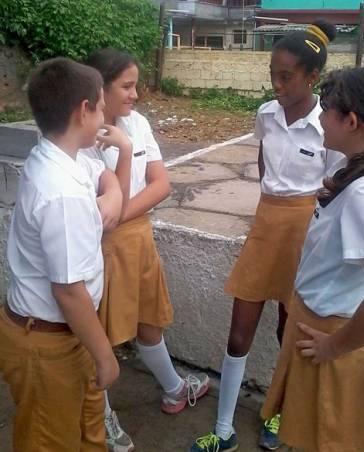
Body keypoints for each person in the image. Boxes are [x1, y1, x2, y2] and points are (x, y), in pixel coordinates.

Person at [190, 20, 345, 452]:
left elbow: (333, 186)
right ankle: (223, 431)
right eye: (272, 74)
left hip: (304, 232)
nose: (275, 83)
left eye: (286, 76)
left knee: (287, 329)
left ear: (311, 78)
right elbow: (264, 164)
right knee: (239, 332)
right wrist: (270, 209)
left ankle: (280, 414)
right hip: (266, 226)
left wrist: (309, 228)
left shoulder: (326, 126)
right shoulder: (265, 114)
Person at [261, 67, 364, 451]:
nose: (319, 117)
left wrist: (334, 347)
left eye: (326, 110)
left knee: (333, 441)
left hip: (334, 337)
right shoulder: (360, 167)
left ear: (350, 121)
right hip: (322, 327)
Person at [82, 48, 210, 452]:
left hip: (137, 236)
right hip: (99, 248)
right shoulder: (83, 134)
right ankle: (101, 419)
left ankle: (174, 388)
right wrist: (117, 218)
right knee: (96, 336)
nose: (136, 93)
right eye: (127, 86)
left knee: (148, 320)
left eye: (136, 84)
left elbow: (161, 183)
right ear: (99, 88)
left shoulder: (137, 123)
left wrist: (122, 215)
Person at [0, 57, 125, 451]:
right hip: (47, 341)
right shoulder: (63, 193)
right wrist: (106, 357)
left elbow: (100, 174)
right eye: (102, 106)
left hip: (68, 335)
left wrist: (116, 192)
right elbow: (68, 291)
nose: (106, 114)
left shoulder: (57, 152)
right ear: (83, 111)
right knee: (49, 441)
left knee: (88, 433)